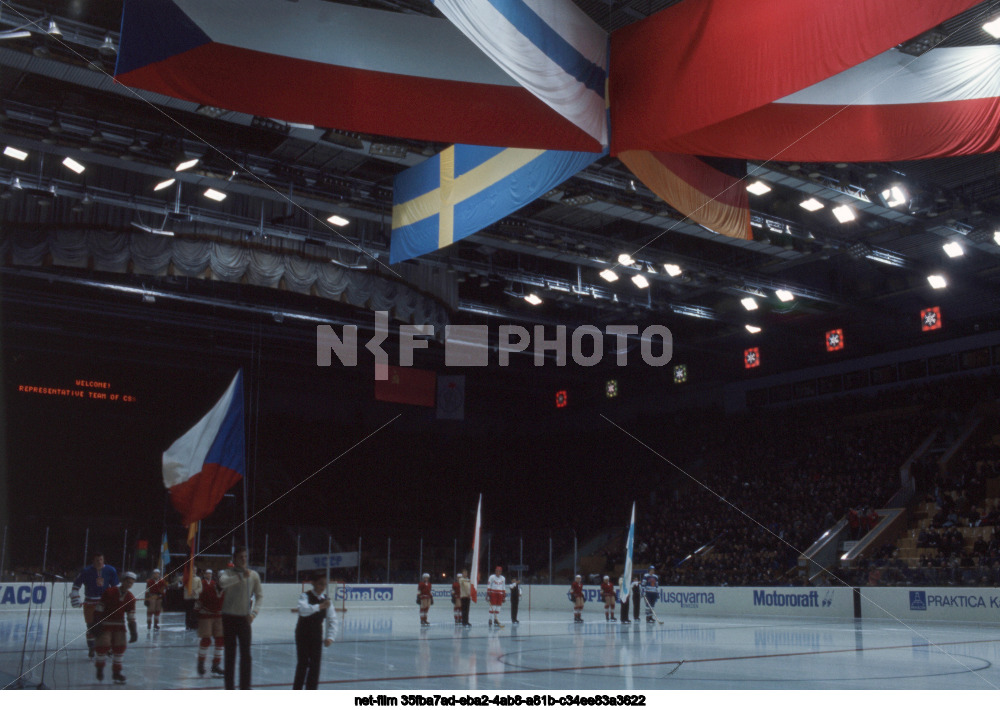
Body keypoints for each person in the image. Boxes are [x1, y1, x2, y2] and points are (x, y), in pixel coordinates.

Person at [217, 547, 263, 690]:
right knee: (230, 654)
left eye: (245, 556)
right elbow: (223, 584)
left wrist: (254, 613)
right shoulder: (227, 573)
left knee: (246, 655)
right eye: (240, 557)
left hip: (244, 618)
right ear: (235, 559)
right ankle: (229, 687)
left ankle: (245, 687)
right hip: (229, 617)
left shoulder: (253, 575)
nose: (244, 559)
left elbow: (259, 596)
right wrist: (240, 577)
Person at [293, 570, 338, 690]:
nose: (322, 587)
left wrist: (330, 636)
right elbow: (303, 610)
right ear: (313, 583)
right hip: (303, 633)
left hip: (316, 634)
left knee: (315, 665)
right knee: (302, 664)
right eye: (320, 584)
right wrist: (319, 606)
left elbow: (332, 619)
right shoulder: (305, 596)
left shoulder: (326, 600)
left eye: (324, 584)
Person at [71, 552, 121, 658]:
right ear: (93, 560)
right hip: (90, 603)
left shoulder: (110, 570)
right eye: (97, 560)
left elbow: (116, 587)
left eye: (101, 560)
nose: (99, 562)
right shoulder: (86, 571)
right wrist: (75, 596)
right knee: (91, 627)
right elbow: (76, 585)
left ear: (103, 560)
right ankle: (92, 648)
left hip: (105, 603)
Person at [91, 570, 138, 685]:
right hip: (106, 623)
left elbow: (131, 616)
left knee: (120, 647)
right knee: (102, 646)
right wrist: (96, 623)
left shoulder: (130, 597)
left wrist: (133, 631)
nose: (129, 585)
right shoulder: (110, 592)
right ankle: (100, 668)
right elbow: (99, 609)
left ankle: (117, 672)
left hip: (119, 625)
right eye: (127, 582)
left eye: (131, 583)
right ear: (123, 581)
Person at [195, 569, 225, 677]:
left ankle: (216, 665)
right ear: (217, 580)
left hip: (219, 616)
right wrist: (195, 615)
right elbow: (199, 601)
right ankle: (201, 663)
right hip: (206, 615)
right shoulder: (208, 589)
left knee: (220, 640)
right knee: (206, 639)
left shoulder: (228, 591)